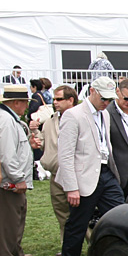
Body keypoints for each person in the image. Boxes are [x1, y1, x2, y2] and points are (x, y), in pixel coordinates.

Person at [56, 77, 125, 256]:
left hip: (105, 174)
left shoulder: (104, 114)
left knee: (119, 214)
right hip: (83, 178)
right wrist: (71, 188)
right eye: (103, 98)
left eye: (110, 99)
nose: (107, 102)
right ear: (92, 91)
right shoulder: (73, 115)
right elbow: (65, 154)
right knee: (77, 224)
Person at [0, 84, 37, 256]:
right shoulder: (6, 121)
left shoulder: (10, 120)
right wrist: (17, 178)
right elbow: (7, 154)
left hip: (13, 179)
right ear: (16, 103)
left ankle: (15, 251)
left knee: (17, 215)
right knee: (9, 219)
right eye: (24, 103)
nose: (26, 107)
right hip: (10, 181)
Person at [38, 84, 77, 244]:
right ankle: (66, 246)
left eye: (59, 99)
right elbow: (42, 143)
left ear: (70, 100)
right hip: (55, 175)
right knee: (62, 214)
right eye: (54, 99)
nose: (55, 102)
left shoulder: (81, 118)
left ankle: (95, 245)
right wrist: (35, 137)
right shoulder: (50, 121)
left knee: (83, 215)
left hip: (76, 173)